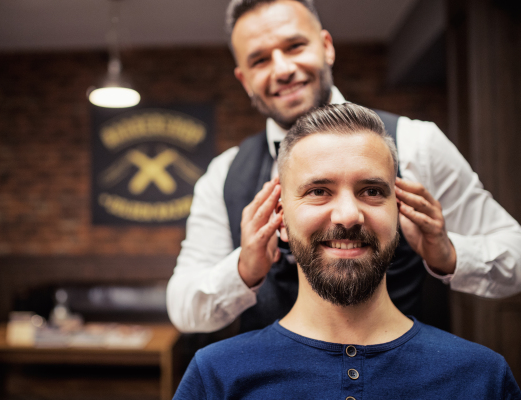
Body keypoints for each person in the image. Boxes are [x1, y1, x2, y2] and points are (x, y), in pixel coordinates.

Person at [166, 0, 521, 333]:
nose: (283, 69)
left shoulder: (418, 144)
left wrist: (450, 254)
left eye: (294, 46)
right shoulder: (223, 175)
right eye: (260, 60)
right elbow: (183, 308)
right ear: (244, 79)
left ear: (327, 47)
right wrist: (243, 271)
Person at [173, 104, 521, 399]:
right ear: (279, 217)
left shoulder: (482, 378)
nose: (348, 216)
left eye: (371, 191)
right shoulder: (215, 378)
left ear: (399, 211)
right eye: (319, 191)